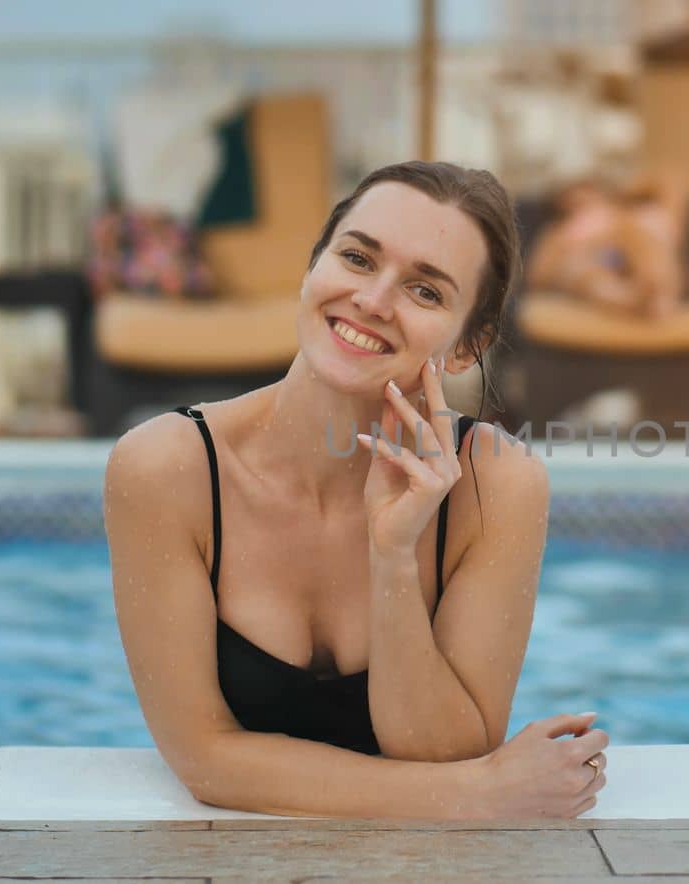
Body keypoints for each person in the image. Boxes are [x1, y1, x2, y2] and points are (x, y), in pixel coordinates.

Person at [104, 161, 608, 819]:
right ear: (312, 269)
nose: (373, 300)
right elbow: (204, 757)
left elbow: (441, 754)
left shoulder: (498, 485)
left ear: (467, 345)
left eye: (425, 291)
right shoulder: (169, 470)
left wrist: (394, 554)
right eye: (357, 258)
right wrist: (485, 791)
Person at [525, 168, 689, 319]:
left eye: (587, 191)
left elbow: (671, 178)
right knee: (578, 269)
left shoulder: (624, 213)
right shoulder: (559, 231)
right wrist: (569, 246)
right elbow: (538, 277)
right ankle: (630, 300)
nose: (579, 197)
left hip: (630, 257)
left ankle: (655, 293)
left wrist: (623, 205)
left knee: (640, 232)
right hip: (595, 264)